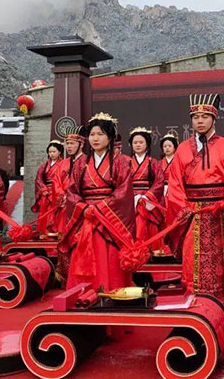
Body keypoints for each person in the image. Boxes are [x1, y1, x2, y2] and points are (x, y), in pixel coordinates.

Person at [166, 94, 224, 315]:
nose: (200, 121)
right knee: (192, 264)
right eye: (196, 117)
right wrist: (184, 208)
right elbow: (175, 185)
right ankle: (195, 316)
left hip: (221, 215)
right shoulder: (183, 148)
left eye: (204, 116)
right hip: (193, 215)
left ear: (214, 118)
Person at [64, 112, 136, 291]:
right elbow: (72, 191)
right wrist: (83, 208)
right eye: (92, 134)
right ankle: (83, 293)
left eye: (100, 134)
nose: (95, 139)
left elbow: (124, 192)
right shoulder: (80, 163)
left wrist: (100, 208)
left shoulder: (120, 162)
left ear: (110, 137)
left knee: (108, 258)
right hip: (86, 216)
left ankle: (111, 292)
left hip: (108, 221)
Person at [50, 125, 86, 283]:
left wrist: (73, 198)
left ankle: (81, 276)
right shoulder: (62, 164)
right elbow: (56, 182)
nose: (69, 146)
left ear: (81, 144)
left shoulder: (87, 162)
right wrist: (61, 196)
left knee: (79, 242)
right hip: (64, 209)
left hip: (80, 209)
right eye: (67, 144)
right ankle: (66, 277)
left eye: (72, 143)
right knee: (64, 241)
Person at [129, 126, 167, 252]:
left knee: (149, 224)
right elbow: (123, 183)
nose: (138, 145)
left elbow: (159, 182)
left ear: (147, 144)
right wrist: (134, 196)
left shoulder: (154, 163)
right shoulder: (126, 163)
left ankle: (151, 251)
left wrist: (146, 196)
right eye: (135, 142)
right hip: (132, 199)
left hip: (148, 200)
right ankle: (135, 253)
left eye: (141, 142)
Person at [31, 140, 64, 235]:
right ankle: (44, 232)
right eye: (50, 152)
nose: (52, 154)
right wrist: (43, 188)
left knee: (57, 212)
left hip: (57, 192)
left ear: (60, 152)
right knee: (45, 211)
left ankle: (56, 231)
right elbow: (39, 178)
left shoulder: (63, 164)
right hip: (46, 192)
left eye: (54, 152)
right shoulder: (44, 165)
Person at [159, 132, 178, 197]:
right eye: (165, 146)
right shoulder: (159, 163)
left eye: (169, 146)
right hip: (161, 189)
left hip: (175, 188)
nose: (167, 148)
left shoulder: (178, 162)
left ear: (174, 147)